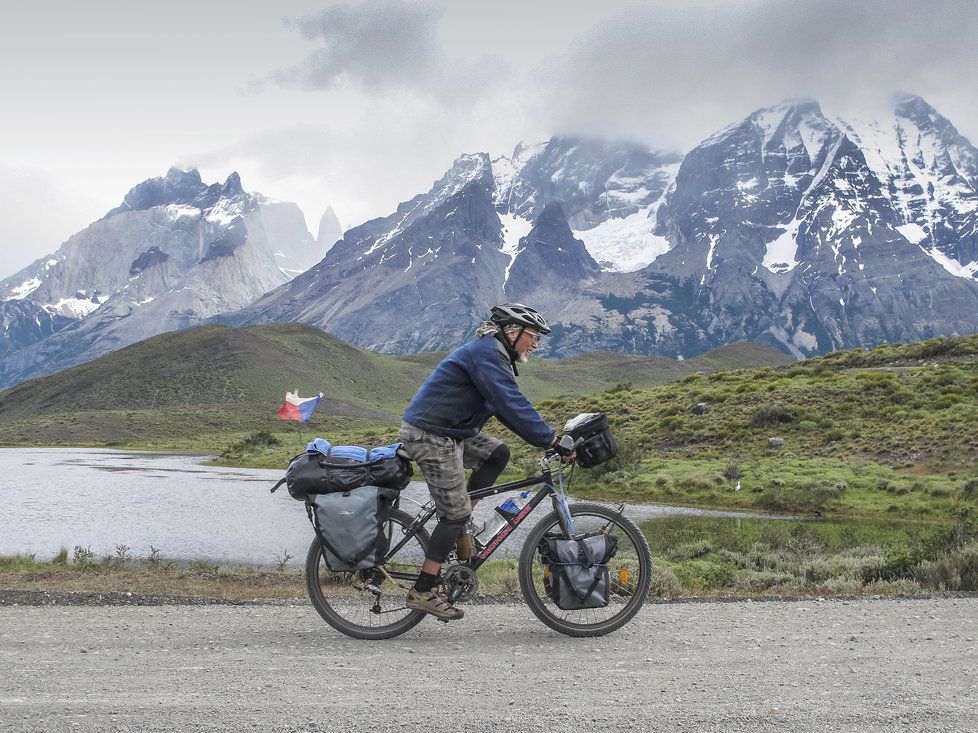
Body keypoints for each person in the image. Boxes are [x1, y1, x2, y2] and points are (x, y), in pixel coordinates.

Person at [398, 303, 569, 621]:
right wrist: (551, 440)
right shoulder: (488, 354)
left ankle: (462, 531)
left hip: (452, 430)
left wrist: (547, 439)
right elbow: (511, 402)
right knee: (455, 511)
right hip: (431, 434)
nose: (536, 344)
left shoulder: (495, 354)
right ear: (512, 332)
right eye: (532, 336)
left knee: (497, 454)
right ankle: (423, 589)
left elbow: (505, 409)